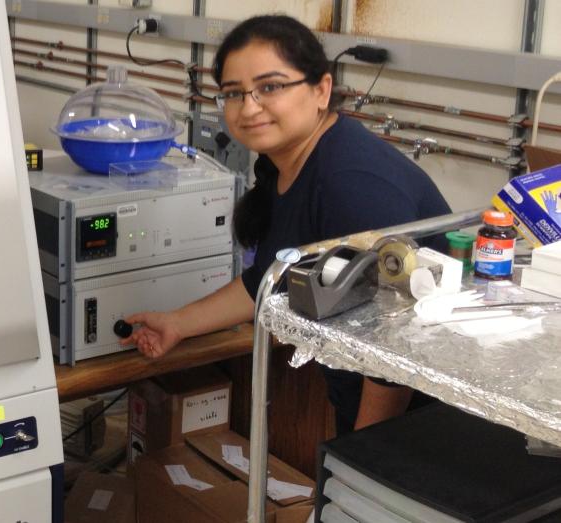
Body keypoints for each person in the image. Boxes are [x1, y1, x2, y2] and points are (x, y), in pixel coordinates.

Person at [121, 14, 451, 436]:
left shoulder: (349, 182)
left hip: (419, 421)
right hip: (363, 395)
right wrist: (179, 323)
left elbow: (394, 341)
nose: (249, 106)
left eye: (270, 87)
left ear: (321, 89)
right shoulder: (287, 165)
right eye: (234, 93)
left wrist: (360, 457)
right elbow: (269, 281)